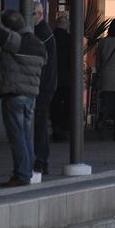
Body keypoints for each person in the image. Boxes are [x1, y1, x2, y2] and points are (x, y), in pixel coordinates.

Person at [0, 3, 47, 187]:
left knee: (17, 136)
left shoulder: (17, 41)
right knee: (26, 135)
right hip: (31, 95)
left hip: (14, 94)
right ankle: (26, 171)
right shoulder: (39, 45)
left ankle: (21, 174)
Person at [31, 1, 58, 175]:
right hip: (45, 84)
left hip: (42, 85)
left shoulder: (41, 34)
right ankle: (41, 160)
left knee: (39, 124)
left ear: (38, 15)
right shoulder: (45, 32)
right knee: (39, 123)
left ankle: (41, 161)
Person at [50, 13, 72, 142]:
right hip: (67, 78)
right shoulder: (70, 40)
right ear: (66, 26)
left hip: (53, 77)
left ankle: (55, 126)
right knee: (68, 103)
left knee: (55, 103)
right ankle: (63, 128)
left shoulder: (50, 37)